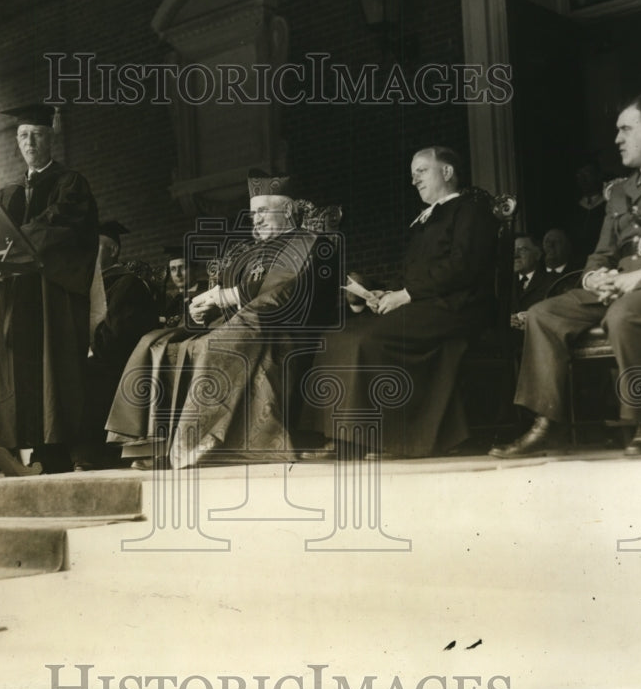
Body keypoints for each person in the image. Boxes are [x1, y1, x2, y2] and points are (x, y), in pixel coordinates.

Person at [491, 92, 641, 459]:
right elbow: (602, 252)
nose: (617, 139)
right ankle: (547, 424)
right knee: (543, 314)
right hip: (622, 283)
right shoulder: (620, 190)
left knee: (626, 312)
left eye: (625, 129)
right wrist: (592, 278)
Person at [107, 170, 339, 469]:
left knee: (214, 346)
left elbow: (283, 294)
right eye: (253, 213)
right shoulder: (252, 252)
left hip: (287, 331)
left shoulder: (308, 243)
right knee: (160, 343)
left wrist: (224, 298)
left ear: (288, 210)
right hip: (251, 324)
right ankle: (154, 442)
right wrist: (205, 309)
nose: (255, 219)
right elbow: (229, 295)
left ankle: (204, 443)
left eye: (263, 211)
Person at [301, 146, 498, 459]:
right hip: (424, 303)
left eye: (421, 171)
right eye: (412, 174)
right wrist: (385, 293)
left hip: (456, 307)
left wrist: (406, 296)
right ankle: (342, 438)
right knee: (335, 336)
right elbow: (412, 275)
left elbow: (463, 268)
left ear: (446, 172)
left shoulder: (470, 210)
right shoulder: (425, 220)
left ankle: (386, 439)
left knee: (368, 338)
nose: (414, 180)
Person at [0, 103, 99, 474]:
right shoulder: (7, 193)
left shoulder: (71, 183)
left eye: (36, 134)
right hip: (19, 294)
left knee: (59, 369)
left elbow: (62, 227)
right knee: (21, 371)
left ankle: (74, 450)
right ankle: (37, 451)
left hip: (53, 291)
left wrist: (14, 243)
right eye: (23, 136)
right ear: (16, 143)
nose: (29, 141)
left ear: (50, 137)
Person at [79, 221, 159, 470]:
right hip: (98, 360)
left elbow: (116, 340)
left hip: (119, 367)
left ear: (112, 250)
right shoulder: (90, 286)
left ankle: (93, 457)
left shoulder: (128, 284)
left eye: (95, 246)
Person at [511, 235, 553, 331]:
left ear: (537, 255)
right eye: (513, 250)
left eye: (522, 250)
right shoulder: (502, 282)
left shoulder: (552, 282)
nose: (515, 255)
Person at [159, 245, 206, 327]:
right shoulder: (170, 301)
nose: (178, 274)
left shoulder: (208, 291)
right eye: (173, 269)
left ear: (194, 268)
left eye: (182, 268)